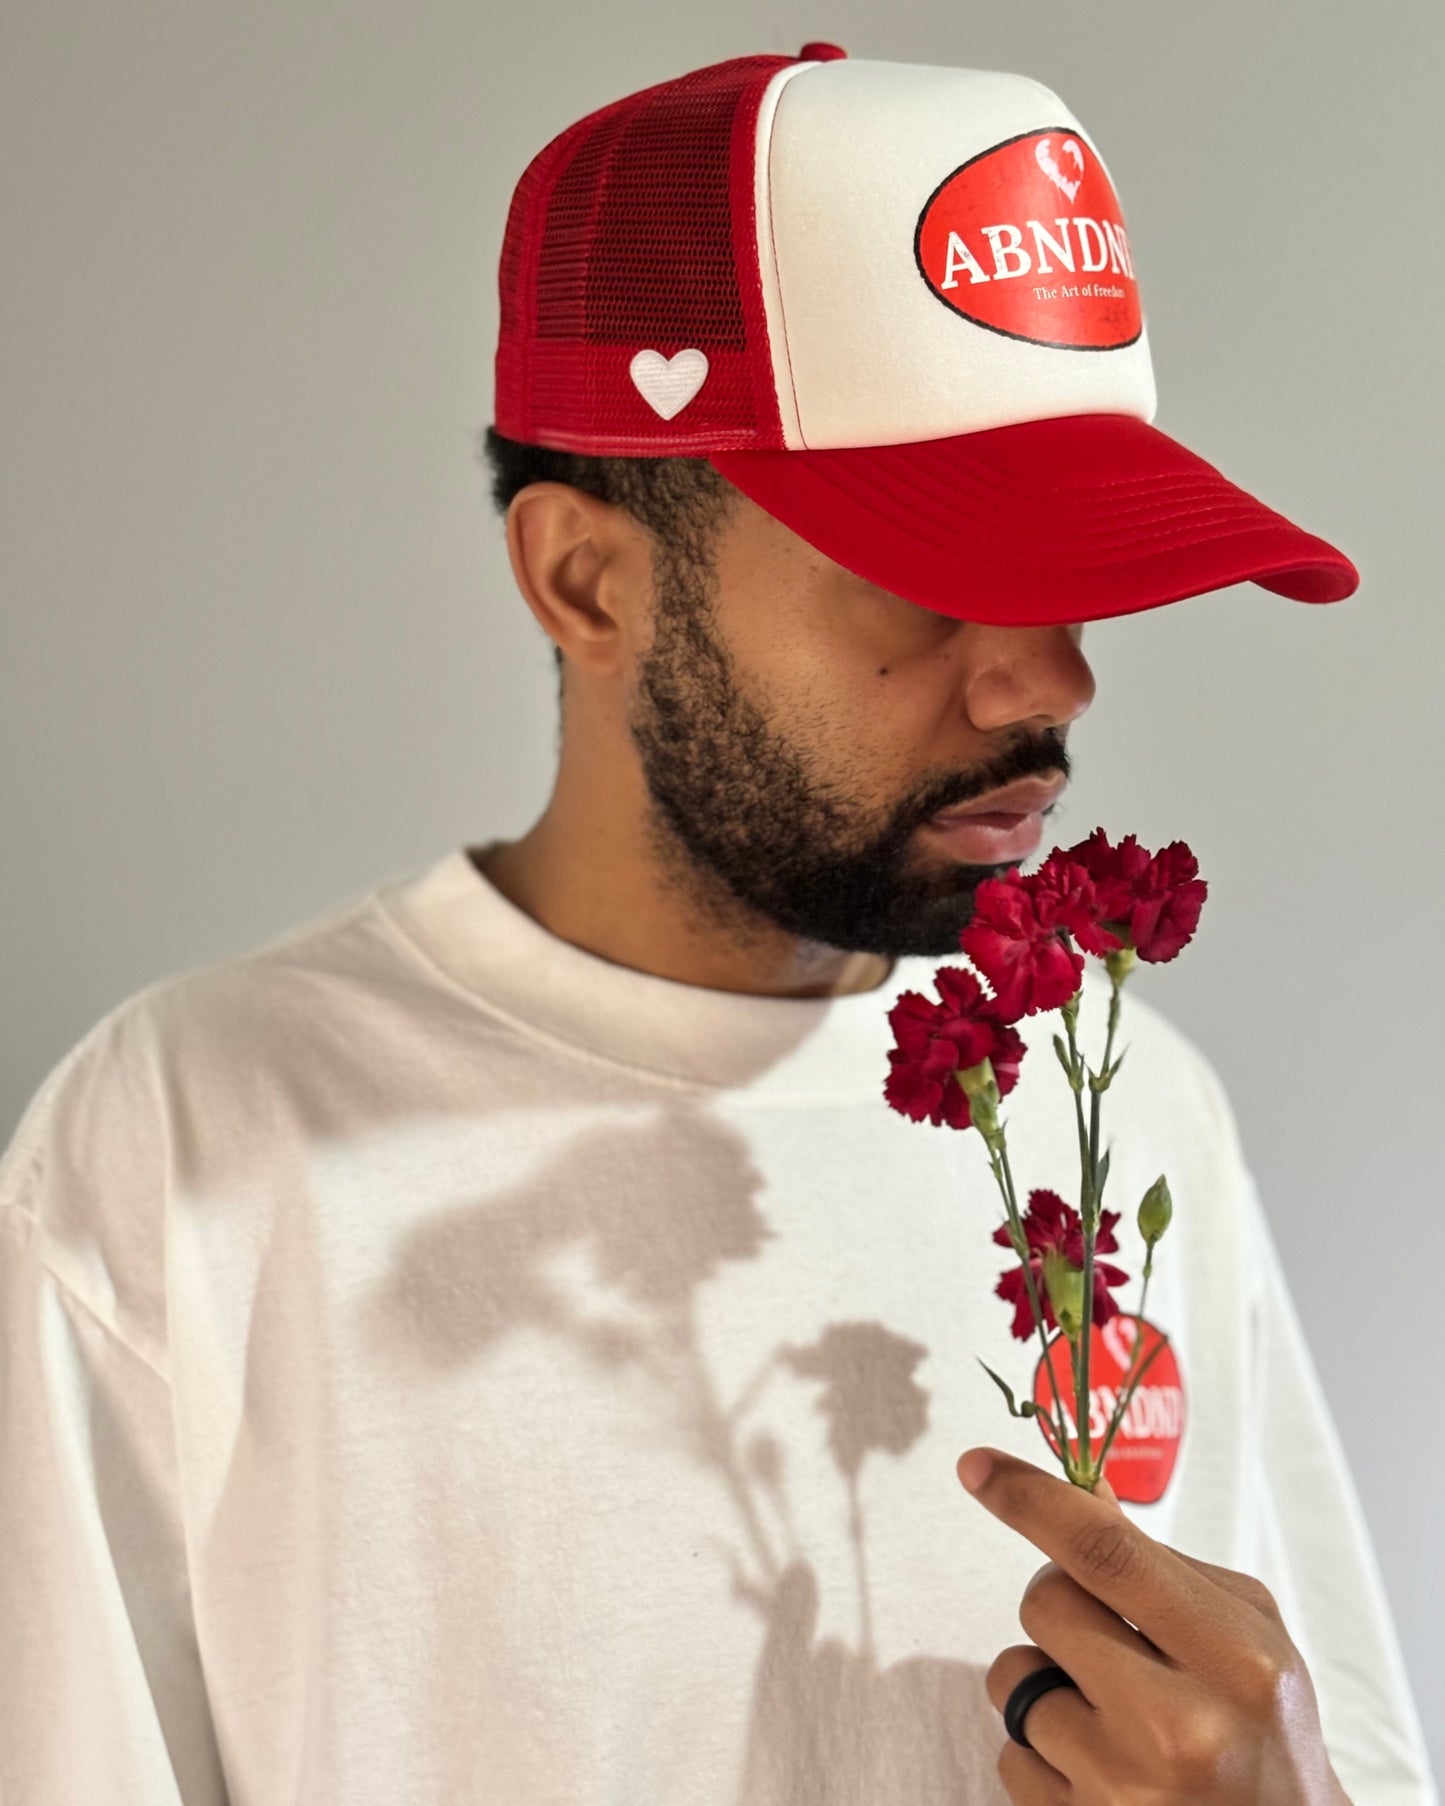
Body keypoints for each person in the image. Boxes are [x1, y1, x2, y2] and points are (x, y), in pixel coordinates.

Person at [0, 41, 1436, 1806]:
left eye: (1071, 565)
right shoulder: (195, 1148)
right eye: (932, 570)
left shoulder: (1124, 1109)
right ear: (588, 577)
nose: (1052, 676)